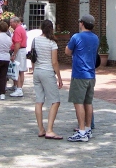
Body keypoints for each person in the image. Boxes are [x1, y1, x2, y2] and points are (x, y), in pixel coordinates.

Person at [65, 14, 99, 142]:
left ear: (82, 23)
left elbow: (67, 51)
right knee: (88, 102)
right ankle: (88, 128)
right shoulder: (95, 38)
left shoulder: (76, 37)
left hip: (79, 74)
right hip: (91, 74)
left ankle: (81, 131)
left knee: (78, 102)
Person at [33, 20, 64, 139]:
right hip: (47, 71)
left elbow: (33, 56)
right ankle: (50, 129)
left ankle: (41, 128)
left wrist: (34, 69)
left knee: (39, 101)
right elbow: (55, 62)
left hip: (37, 71)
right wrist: (59, 77)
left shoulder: (35, 40)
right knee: (55, 101)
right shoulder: (52, 42)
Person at [9, 17, 28, 97]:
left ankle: (19, 89)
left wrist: (14, 54)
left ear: (15, 22)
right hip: (22, 51)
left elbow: (17, 43)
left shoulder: (17, 30)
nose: (10, 24)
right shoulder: (21, 29)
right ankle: (18, 87)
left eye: (11, 23)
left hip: (19, 51)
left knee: (18, 70)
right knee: (21, 70)